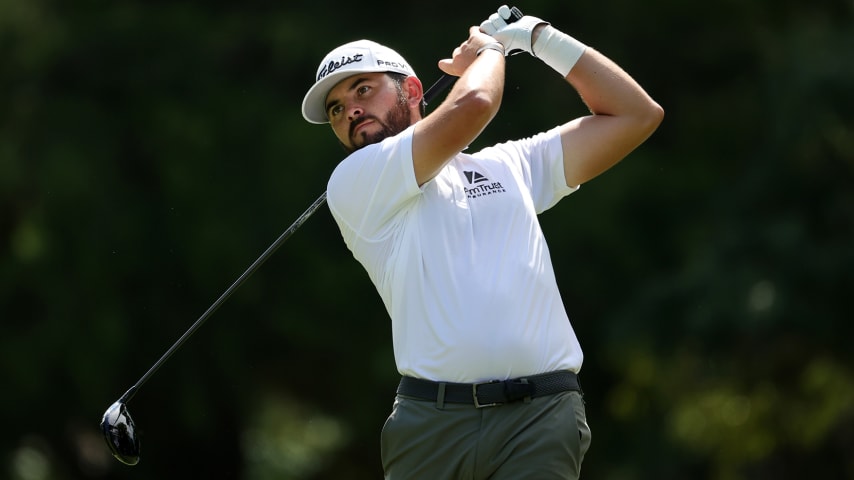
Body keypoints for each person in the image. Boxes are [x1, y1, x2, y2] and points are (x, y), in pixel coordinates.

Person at [300, 5, 663, 479]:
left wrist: (537, 37)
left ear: (411, 90)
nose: (349, 109)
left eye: (362, 89)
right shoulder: (354, 182)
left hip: (540, 418)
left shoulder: (509, 166)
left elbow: (636, 114)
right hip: (431, 424)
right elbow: (473, 105)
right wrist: (492, 49)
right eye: (335, 108)